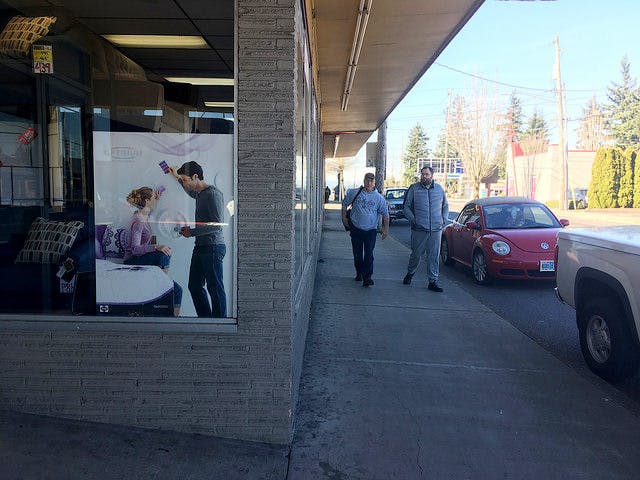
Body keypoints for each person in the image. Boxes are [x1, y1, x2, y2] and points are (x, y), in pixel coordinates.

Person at [171, 161, 227, 317]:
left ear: (195, 176)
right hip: (201, 246)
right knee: (194, 286)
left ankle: (220, 325)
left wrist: (192, 232)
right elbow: (189, 192)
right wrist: (176, 176)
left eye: (185, 179)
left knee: (215, 288)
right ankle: (207, 320)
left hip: (213, 247)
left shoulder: (213, 194)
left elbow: (217, 225)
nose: (184, 182)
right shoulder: (199, 194)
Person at [124, 186, 183, 316]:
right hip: (132, 261)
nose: (154, 201)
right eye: (152, 199)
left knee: (177, 290)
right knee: (163, 253)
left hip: (141, 259)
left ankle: (174, 321)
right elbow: (134, 249)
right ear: (146, 201)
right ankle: (162, 284)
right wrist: (155, 247)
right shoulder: (139, 221)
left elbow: (151, 208)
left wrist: (158, 195)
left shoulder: (144, 215)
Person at [402, 166, 449, 292]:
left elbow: (445, 205)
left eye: (427, 174)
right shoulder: (414, 188)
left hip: (436, 230)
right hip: (419, 229)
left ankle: (432, 281)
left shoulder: (439, 189)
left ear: (432, 175)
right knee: (416, 254)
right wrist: (413, 220)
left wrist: (443, 219)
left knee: (433, 256)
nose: (424, 176)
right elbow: (406, 207)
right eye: (422, 174)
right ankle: (410, 273)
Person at [341, 172, 389, 287]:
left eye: (371, 181)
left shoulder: (379, 198)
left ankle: (367, 277)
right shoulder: (354, 193)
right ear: (363, 181)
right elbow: (344, 204)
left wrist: (385, 229)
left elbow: (386, 214)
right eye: (367, 180)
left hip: (371, 231)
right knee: (357, 254)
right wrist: (344, 219)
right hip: (356, 229)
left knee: (369, 254)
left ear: (374, 183)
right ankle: (359, 272)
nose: (369, 183)